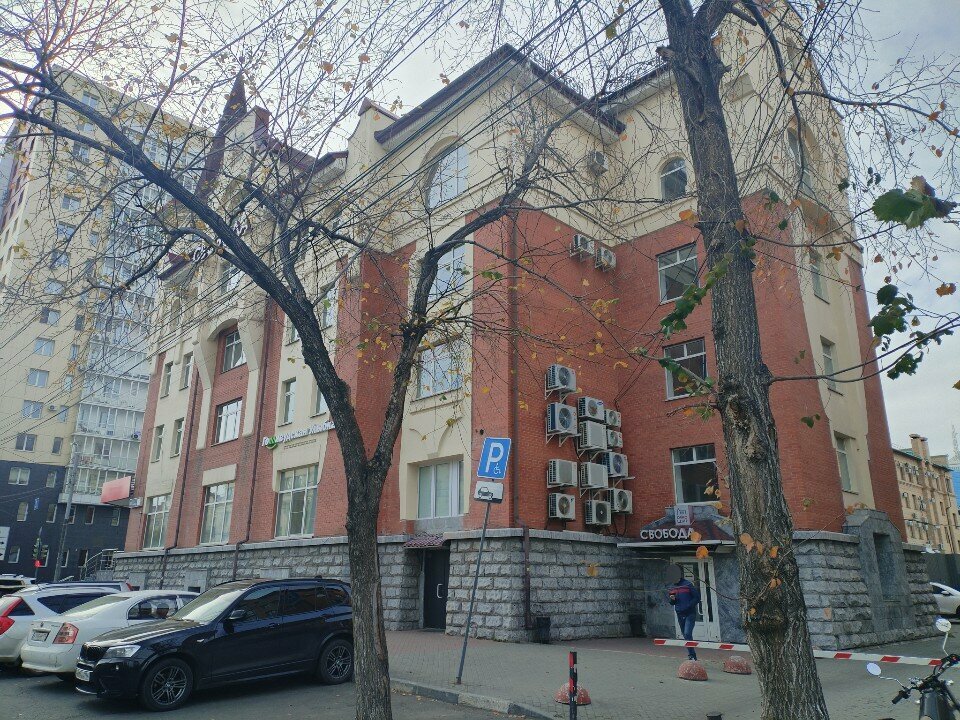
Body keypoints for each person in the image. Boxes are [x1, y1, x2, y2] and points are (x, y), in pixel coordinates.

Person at [668, 565, 701, 661]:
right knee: (685, 636)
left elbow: (697, 597)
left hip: (690, 613)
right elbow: (672, 602)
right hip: (680, 614)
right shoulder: (672, 587)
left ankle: (692, 656)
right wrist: (672, 600)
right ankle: (692, 655)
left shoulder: (687, 584)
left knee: (687, 633)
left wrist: (689, 605)